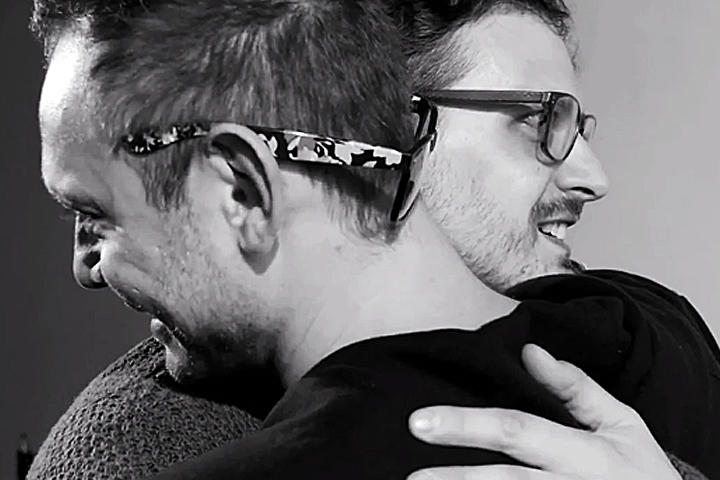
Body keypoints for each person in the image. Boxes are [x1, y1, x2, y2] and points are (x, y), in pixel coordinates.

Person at [27, 0, 719, 479]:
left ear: (243, 191)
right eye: (537, 121)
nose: (85, 266)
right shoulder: (657, 339)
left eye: (96, 212)